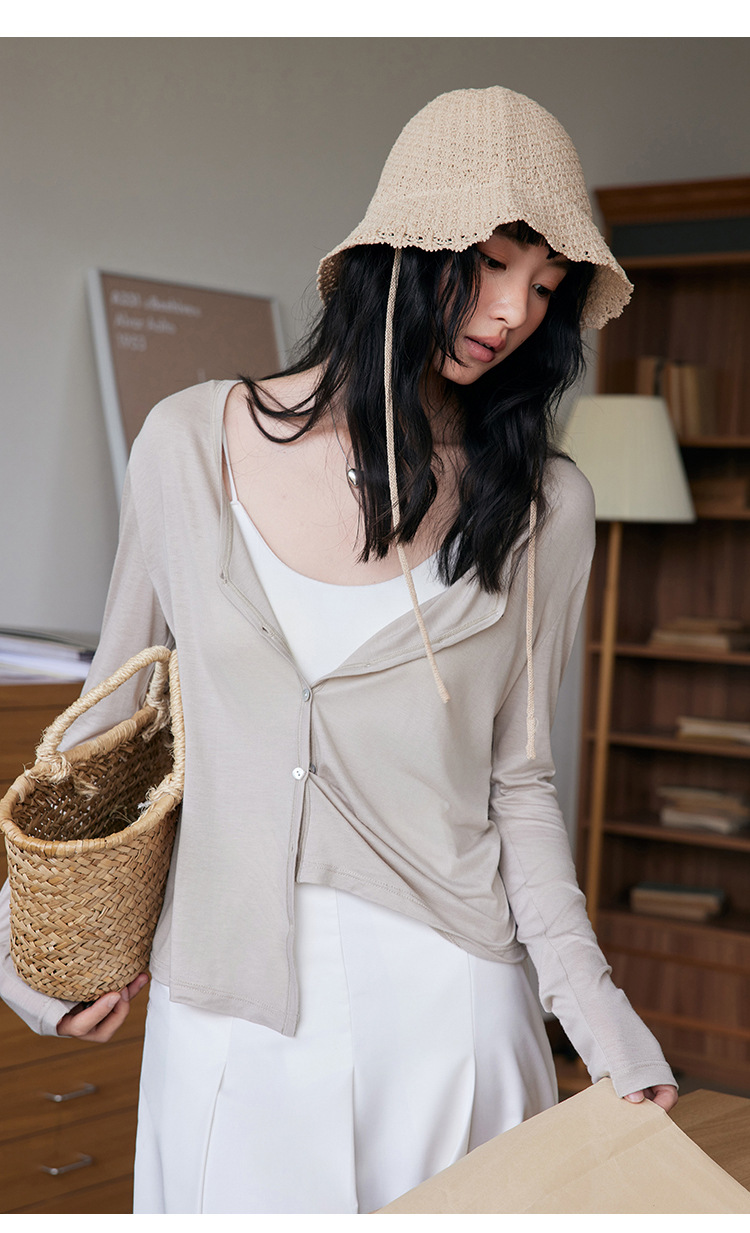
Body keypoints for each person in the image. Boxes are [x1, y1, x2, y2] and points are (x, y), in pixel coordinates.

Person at [0, 86, 677, 1214]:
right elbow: (105, 738)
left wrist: (599, 1017)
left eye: (546, 287)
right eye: (493, 264)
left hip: (454, 1018)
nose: (513, 312)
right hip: (230, 1021)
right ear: (402, 245)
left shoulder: (544, 506)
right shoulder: (189, 445)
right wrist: (28, 960)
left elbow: (519, 783)